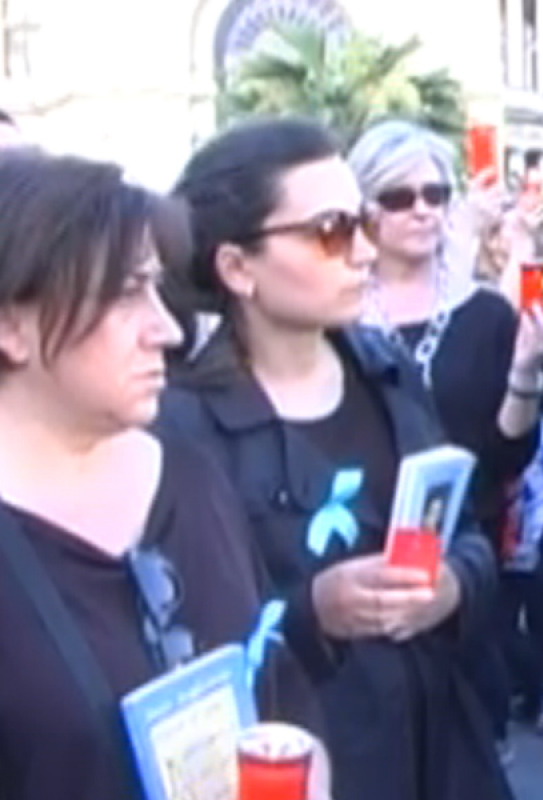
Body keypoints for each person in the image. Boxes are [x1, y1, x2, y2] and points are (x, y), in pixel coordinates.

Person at [157, 117, 512, 800]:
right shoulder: (182, 425)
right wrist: (311, 612)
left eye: (362, 224)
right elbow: (181, 646)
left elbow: (470, 536)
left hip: (446, 751)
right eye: (331, 231)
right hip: (306, 762)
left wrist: (455, 586)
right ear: (237, 267)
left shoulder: (389, 373)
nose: (363, 254)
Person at [0, 151, 327, 800]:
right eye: (125, 294)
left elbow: (277, 692)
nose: (168, 330)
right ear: (11, 327)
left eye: (156, 286)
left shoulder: (190, 472)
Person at [349, 119, 543, 758]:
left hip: (466, 563)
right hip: (360, 554)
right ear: (364, 208)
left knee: (465, 752)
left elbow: (508, 456)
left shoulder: (485, 313)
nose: (421, 210)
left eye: (436, 194)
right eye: (398, 197)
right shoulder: (334, 315)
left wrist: (526, 370)